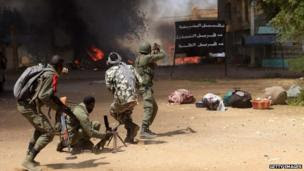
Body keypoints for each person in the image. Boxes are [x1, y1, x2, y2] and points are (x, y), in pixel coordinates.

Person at [16, 55, 72, 171]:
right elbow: (44, 96)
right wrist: (58, 108)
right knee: (49, 133)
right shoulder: (51, 75)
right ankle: (28, 161)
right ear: (59, 66)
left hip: (27, 105)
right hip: (29, 107)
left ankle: (29, 158)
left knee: (40, 129)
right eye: (62, 67)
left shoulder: (46, 69)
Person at [105, 52, 142, 144]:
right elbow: (140, 81)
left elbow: (109, 87)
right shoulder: (130, 67)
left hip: (121, 99)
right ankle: (130, 137)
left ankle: (131, 126)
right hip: (133, 98)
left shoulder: (109, 72)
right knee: (127, 114)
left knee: (113, 111)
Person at [135, 42, 166, 139]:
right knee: (149, 107)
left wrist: (153, 51)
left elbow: (151, 59)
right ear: (147, 50)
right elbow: (163, 55)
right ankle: (143, 130)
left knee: (154, 107)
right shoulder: (147, 58)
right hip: (145, 87)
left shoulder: (139, 58)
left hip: (143, 87)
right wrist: (159, 49)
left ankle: (146, 128)